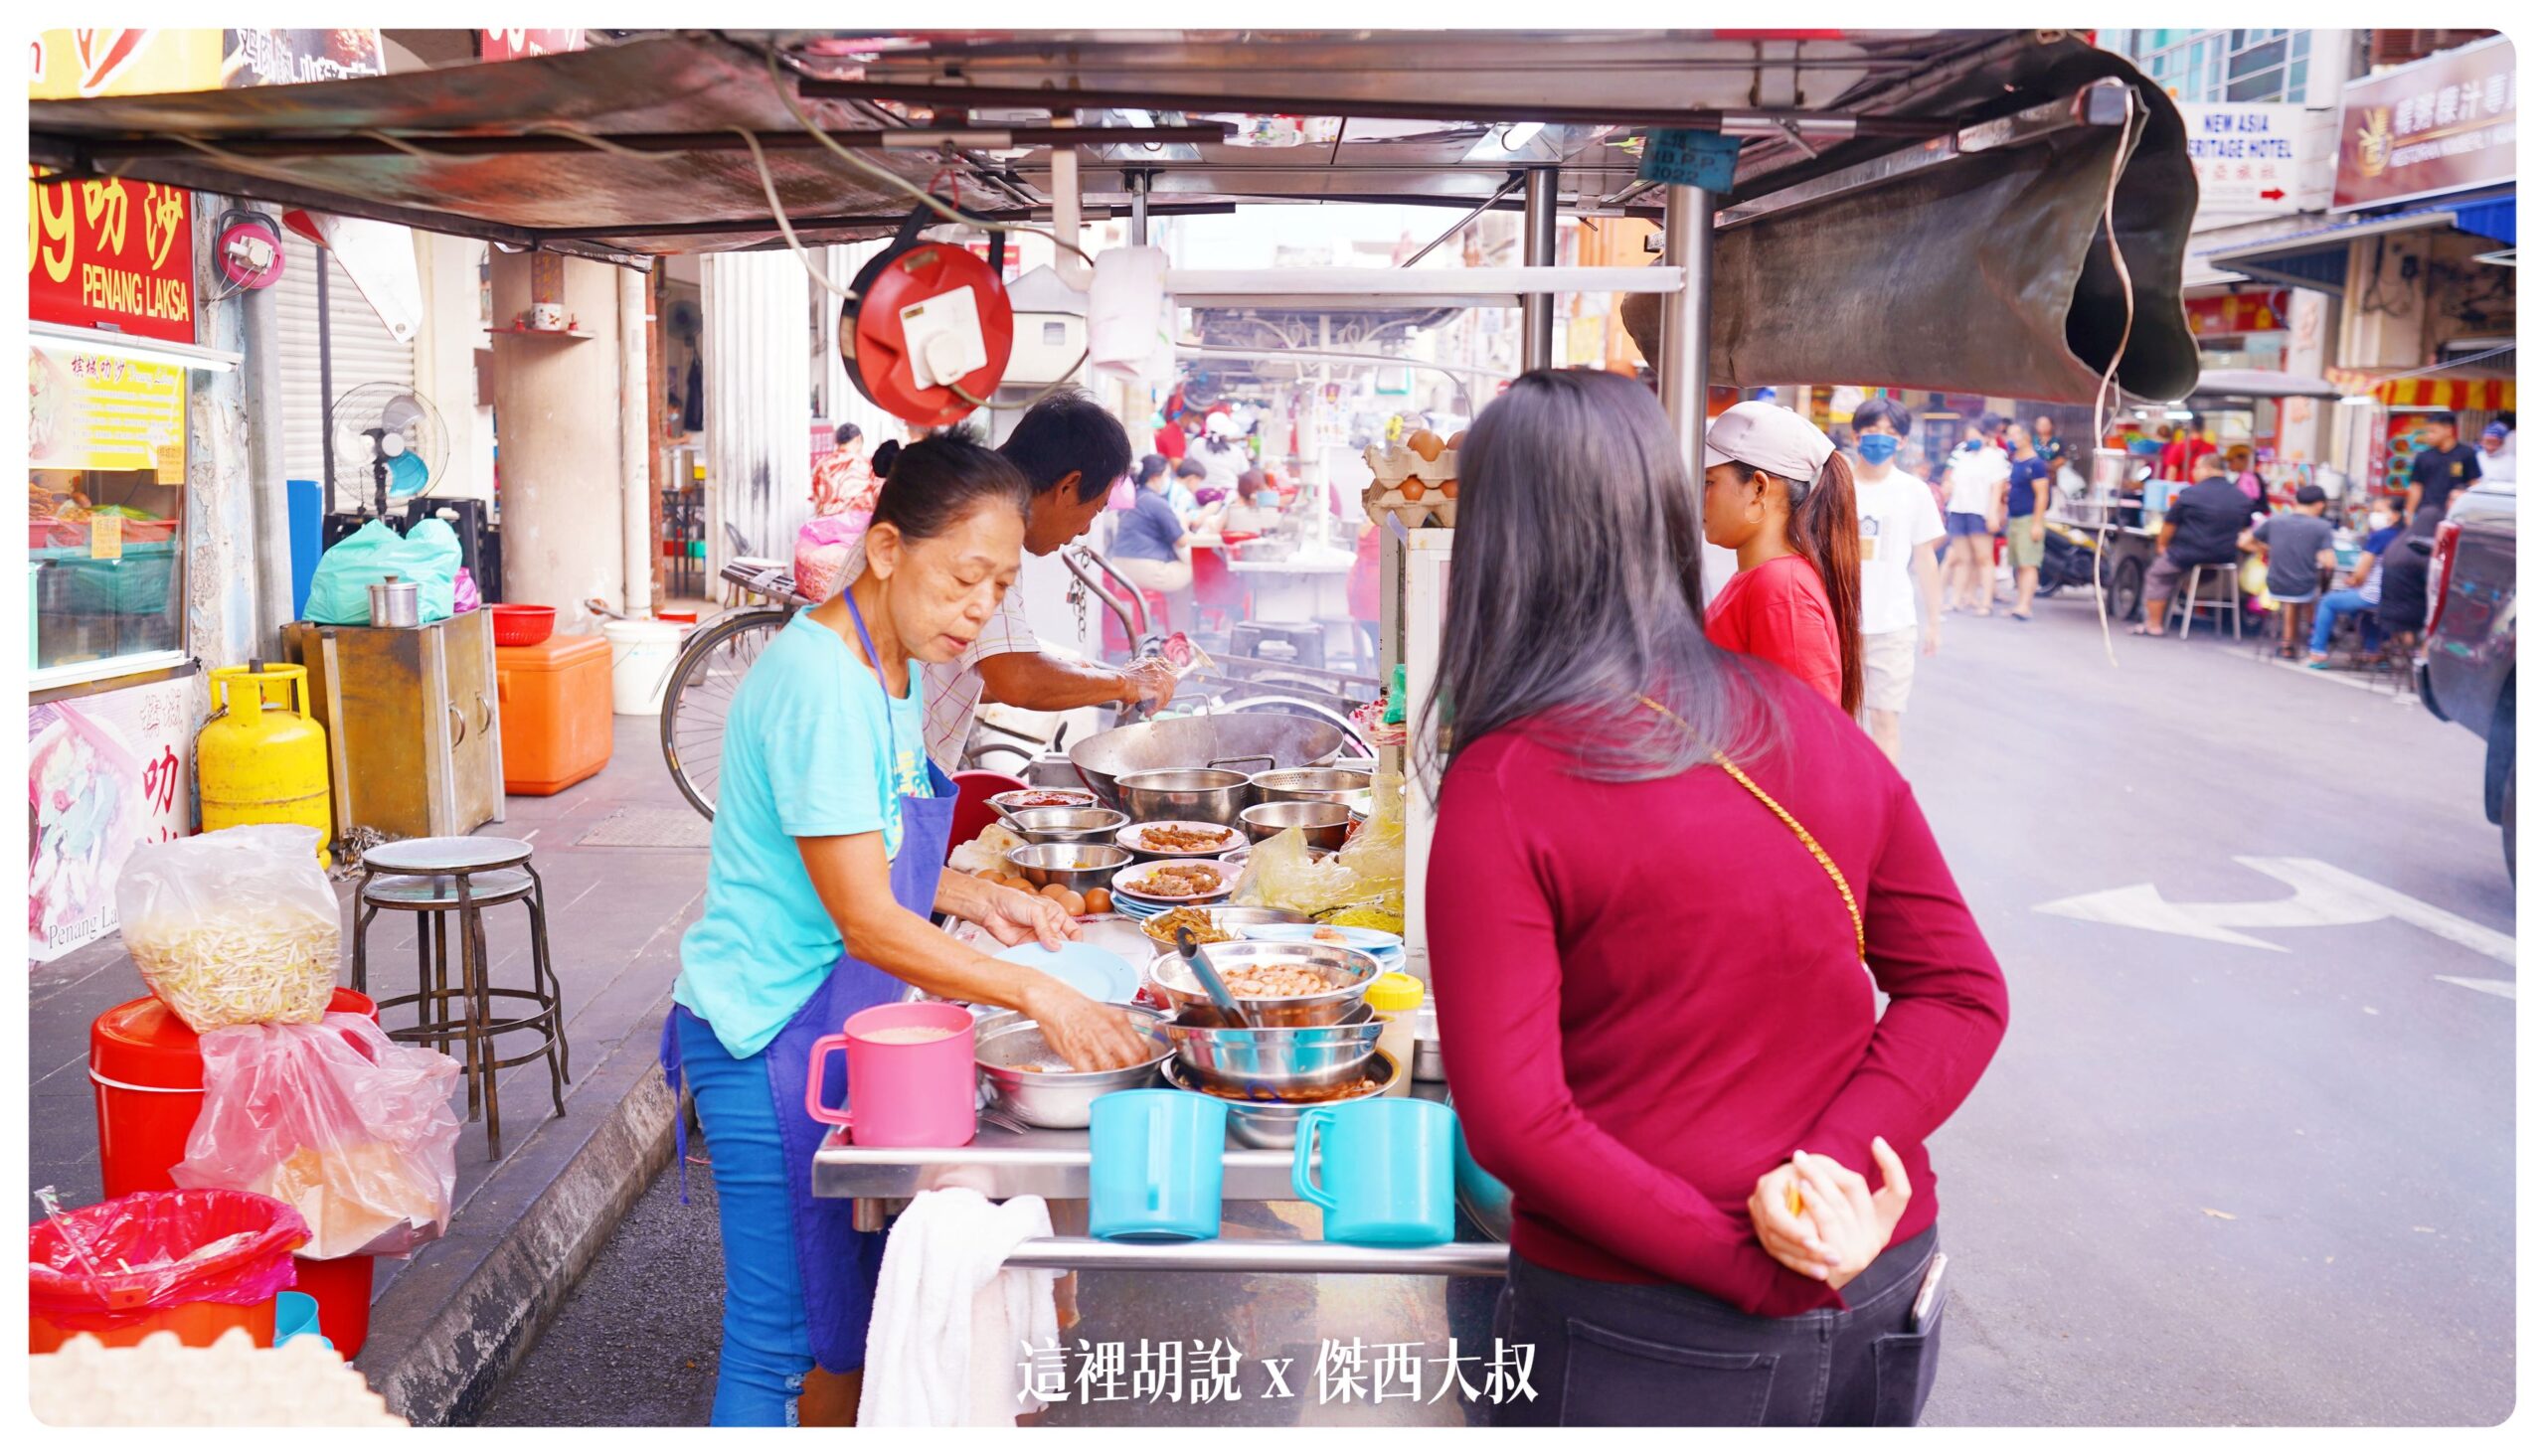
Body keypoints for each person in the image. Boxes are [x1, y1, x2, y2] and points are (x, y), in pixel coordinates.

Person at [1422, 368, 2008, 1427]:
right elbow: (1961, 992)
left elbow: (1515, 1122)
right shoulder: (1809, 719)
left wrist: (1754, 1266)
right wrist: (1819, 1191)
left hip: (1646, 1321)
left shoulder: (1506, 777)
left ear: (1496, 540)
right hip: (1872, 1271)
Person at [664, 435, 1155, 1427]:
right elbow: (862, 914)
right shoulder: (821, 683)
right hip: (766, 1033)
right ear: (887, 549)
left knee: (841, 1321)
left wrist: (984, 901)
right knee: (777, 1342)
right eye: (963, 578)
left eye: (1000, 584)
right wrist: (1035, 989)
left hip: (839, 1024)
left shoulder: (890, 669)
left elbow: (871, 849)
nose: (978, 608)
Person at [832, 390, 1178, 774]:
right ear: (1067, 486)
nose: (1084, 530)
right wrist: (1124, 683)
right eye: (1093, 511)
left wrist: (1084, 675)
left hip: (867, 744)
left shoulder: (969, 500)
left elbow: (983, 669)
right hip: (859, 758)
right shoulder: (979, 523)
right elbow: (1016, 679)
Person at [1699, 400, 1863, 715]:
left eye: (1709, 482)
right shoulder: (1765, 579)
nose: (1699, 496)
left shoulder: (1781, 588)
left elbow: (1810, 735)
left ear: (1759, 488)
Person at [1849, 398, 1945, 764]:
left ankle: (1883, 806)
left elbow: (1925, 559)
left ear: (1902, 442)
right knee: (1841, 720)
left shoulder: (1914, 491)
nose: (1880, 439)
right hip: (1841, 624)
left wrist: (1935, 622)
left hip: (1893, 626)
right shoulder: (1835, 485)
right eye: (1872, 430)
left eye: (1890, 433)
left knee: (1885, 720)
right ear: (1856, 435)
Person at [2134, 460, 2266, 637]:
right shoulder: (2241, 498)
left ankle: (2154, 624)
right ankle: (2186, 589)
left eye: (2196, 467)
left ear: (2207, 468)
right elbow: (2245, 529)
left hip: (2187, 553)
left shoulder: (2191, 494)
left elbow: (2169, 524)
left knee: (2158, 575)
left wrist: (2162, 546)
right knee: (2203, 572)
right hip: (2225, 557)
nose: (2194, 471)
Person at [2243, 485, 2337, 658]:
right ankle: (2312, 631)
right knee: (2314, 592)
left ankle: (2288, 642)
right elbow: (2330, 563)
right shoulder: (2322, 527)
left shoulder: (2275, 521)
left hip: (2273, 585)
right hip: (2303, 587)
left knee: (2296, 593)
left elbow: (2244, 542)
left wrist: (2266, 550)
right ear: (2320, 505)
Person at [2306, 500, 2403, 666]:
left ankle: (2318, 653)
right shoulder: (2406, 535)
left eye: (2380, 511)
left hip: (2374, 596)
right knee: (2362, 612)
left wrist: (2354, 580)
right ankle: (2374, 651)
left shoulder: (2380, 537)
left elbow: (2361, 573)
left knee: (2328, 602)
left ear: (2395, 515)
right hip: (2399, 599)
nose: (2375, 515)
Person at [1109, 452, 1197, 630]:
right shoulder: (1156, 502)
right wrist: (1186, 523)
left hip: (1119, 569)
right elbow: (1181, 540)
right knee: (1191, 571)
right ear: (1156, 477)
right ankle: (1180, 633)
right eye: (1166, 475)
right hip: (1146, 570)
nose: (1167, 480)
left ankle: (1171, 628)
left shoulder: (1134, 497)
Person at [1939, 415, 2009, 616]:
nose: (1971, 439)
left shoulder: (1995, 457)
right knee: (1962, 558)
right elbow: (1950, 480)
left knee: (1984, 558)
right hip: (1959, 510)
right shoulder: (1962, 455)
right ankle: (1956, 600)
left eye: (1975, 435)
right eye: (1968, 436)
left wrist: (1993, 514)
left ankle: (1986, 602)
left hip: (1980, 512)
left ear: (1986, 436)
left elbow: (1997, 487)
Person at [2000, 421, 2052, 621]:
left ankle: (2025, 606)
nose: (2010, 440)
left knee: (2029, 563)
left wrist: (2037, 523)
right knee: (2019, 564)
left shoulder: (2036, 464)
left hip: (2029, 519)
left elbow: (2042, 495)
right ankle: (2019, 603)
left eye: (2014, 436)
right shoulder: (2017, 462)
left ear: (2026, 438)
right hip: (2015, 518)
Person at [2404, 413, 2480, 521]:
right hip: (2427, 512)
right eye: (2427, 432)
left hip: (2456, 513)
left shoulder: (2467, 453)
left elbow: (2473, 484)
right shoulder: (2423, 456)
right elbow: (2416, 487)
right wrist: (2409, 514)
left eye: (2433, 431)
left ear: (2448, 430)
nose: (2429, 436)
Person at [810, 422, 877, 523]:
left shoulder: (822, 465)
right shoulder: (868, 464)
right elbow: (877, 497)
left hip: (829, 527)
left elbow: (818, 501)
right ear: (858, 439)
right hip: (860, 527)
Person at [1189, 410, 1251, 492]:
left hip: (1200, 494)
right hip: (1229, 495)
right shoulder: (1236, 451)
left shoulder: (1197, 444)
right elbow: (1245, 474)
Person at [2474, 418, 2516, 487]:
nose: (2489, 447)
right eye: (2487, 442)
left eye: (2494, 442)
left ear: (2502, 443)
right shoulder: (2476, 457)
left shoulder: (2511, 461)